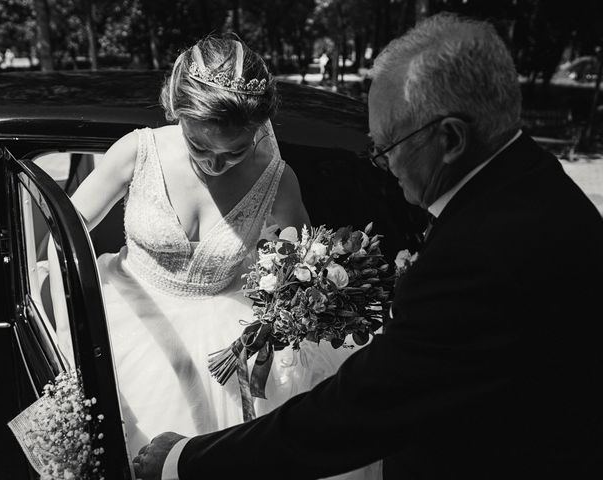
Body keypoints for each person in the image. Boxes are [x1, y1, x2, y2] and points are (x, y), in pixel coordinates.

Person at [134, 13, 603, 480]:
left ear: (452, 139)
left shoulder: (484, 255)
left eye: (387, 146)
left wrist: (186, 461)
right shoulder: (530, 182)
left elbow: (358, 413)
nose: (381, 163)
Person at [47, 35, 379, 479]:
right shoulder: (137, 150)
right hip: (124, 323)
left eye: (235, 152)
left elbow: (300, 273)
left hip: (228, 343)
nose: (215, 165)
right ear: (175, 111)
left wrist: (280, 318)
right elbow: (63, 233)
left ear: (259, 130)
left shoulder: (277, 180)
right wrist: (72, 332)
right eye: (199, 147)